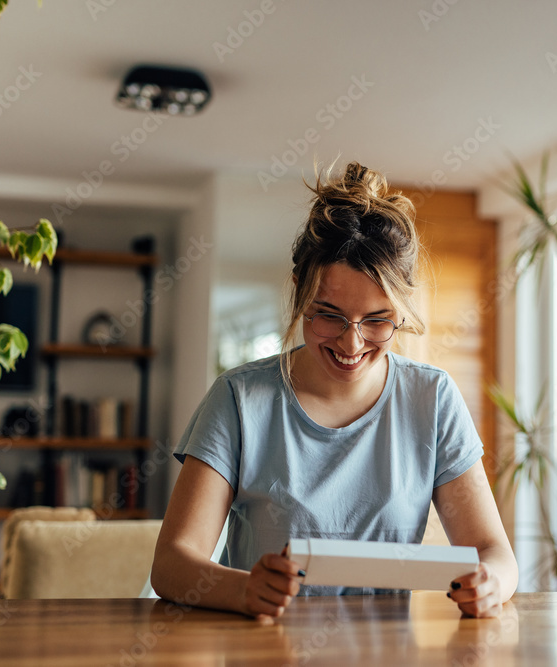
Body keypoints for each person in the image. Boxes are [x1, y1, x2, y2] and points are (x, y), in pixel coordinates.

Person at [151, 161, 517, 621]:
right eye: (329, 314)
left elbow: (494, 553)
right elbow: (171, 564)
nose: (351, 342)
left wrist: (491, 583)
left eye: (377, 320)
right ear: (299, 293)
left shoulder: (433, 398)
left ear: (402, 310)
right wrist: (244, 590)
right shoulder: (238, 399)